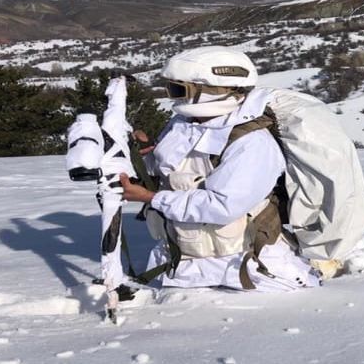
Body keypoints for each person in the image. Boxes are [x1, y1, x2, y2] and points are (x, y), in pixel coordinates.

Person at [120, 46, 316, 291]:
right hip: (181, 265)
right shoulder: (184, 125)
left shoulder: (251, 142)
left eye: (178, 89)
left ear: (210, 91)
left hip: (244, 271)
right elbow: (176, 173)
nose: (173, 97)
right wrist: (144, 160)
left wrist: (151, 198)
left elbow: (221, 206)